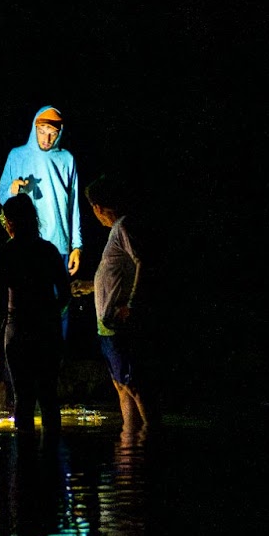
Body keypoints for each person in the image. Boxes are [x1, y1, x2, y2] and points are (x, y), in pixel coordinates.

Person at [0, 193, 70, 437]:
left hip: (18, 329)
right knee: (48, 396)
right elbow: (65, 294)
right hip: (47, 329)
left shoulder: (5, 253)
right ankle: (51, 463)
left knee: (23, 398)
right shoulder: (49, 251)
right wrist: (51, 314)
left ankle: (24, 465)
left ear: (9, 222)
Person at [82, 175, 152, 443]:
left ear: (100, 206)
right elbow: (116, 274)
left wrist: (132, 304)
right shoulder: (118, 230)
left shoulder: (124, 226)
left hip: (118, 321)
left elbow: (142, 261)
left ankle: (148, 438)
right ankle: (130, 443)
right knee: (121, 384)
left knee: (133, 383)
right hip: (107, 322)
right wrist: (90, 286)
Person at [0, 106, 83, 278]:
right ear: (34, 129)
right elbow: (1, 196)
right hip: (25, 243)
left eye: (52, 132)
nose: (47, 138)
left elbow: (74, 205)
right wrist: (12, 190)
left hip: (59, 243)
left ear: (60, 132)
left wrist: (77, 246)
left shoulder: (67, 158)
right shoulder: (17, 155)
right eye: (42, 131)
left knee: (57, 299)